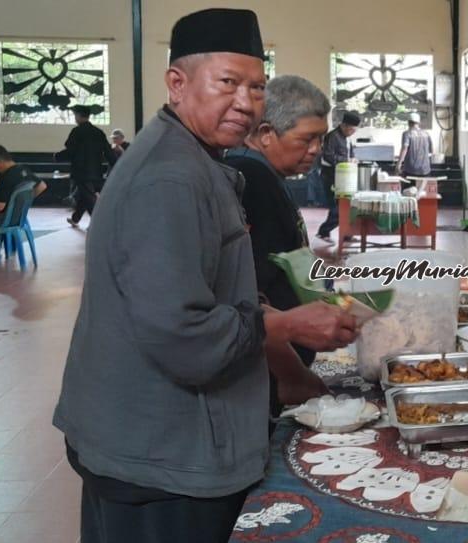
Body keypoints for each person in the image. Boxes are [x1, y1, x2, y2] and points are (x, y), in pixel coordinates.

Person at [52, 9, 354, 543]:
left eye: (257, 87)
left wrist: (271, 316)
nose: (245, 102)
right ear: (178, 82)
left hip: (154, 444)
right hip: (159, 454)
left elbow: (209, 289)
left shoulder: (194, 158)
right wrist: (281, 328)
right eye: (228, 83)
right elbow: (184, 336)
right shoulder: (169, 178)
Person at [225, 75, 356, 417]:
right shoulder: (251, 181)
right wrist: (293, 375)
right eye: (306, 139)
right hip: (268, 372)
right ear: (266, 133)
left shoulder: (264, 174)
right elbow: (251, 300)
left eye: (320, 139)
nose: (316, 150)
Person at [54, 104, 116, 226]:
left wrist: (57, 156)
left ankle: (99, 225)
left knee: (89, 197)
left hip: (81, 171)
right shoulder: (98, 132)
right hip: (96, 171)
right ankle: (75, 219)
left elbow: (71, 150)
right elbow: (108, 151)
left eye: (75, 115)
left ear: (78, 115)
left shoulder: (77, 131)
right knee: (84, 196)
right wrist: (116, 165)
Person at [315, 111, 360, 241]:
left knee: (347, 204)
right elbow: (327, 155)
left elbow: (350, 154)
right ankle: (323, 232)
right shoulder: (332, 136)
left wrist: (353, 159)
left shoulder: (347, 137)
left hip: (343, 176)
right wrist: (345, 160)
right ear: (344, 125)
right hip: (330, 175)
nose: (353, 132)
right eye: (351, 129)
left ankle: (347, 233)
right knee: (338, 207)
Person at [396, 111, 433, 178]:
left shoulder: (407, 134)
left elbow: (404, 149)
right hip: (425, 170)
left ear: (409, 122)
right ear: (419, 122)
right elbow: (431, 152)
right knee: (422, 189)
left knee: (408, 189)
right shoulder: (426, 134)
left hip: (410, 170)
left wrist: (399, 164)